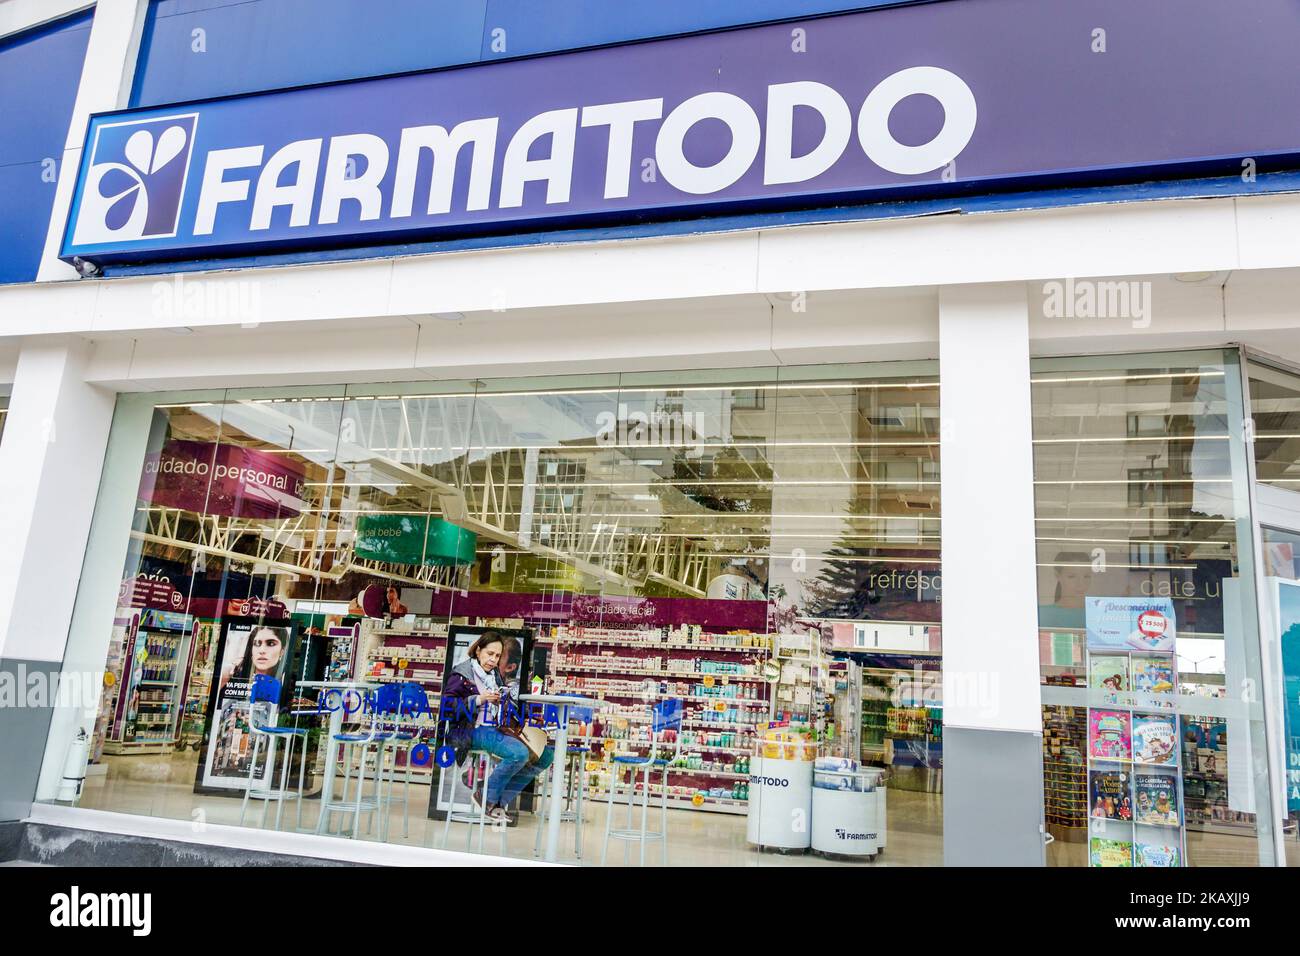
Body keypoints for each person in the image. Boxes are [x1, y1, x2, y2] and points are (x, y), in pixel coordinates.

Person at [443, 631, 553, 824]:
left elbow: (504, 705)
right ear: (478, 651)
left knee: (545, 756)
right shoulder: (462, 674)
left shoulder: (494, 676)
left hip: (498, 727)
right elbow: (447, 707)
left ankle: (496, 798)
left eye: (497, 656)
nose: (493, 660)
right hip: (470, 730)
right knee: (518, 753)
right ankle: (487, 798)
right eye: (489, 653)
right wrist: (479, 699)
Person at [1037, 552, 1094, 629]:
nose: (1081, 583)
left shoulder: (1098, 614)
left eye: (1086, 576)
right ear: (1057, 575)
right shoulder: (1042, 614)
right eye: (1072, 577)